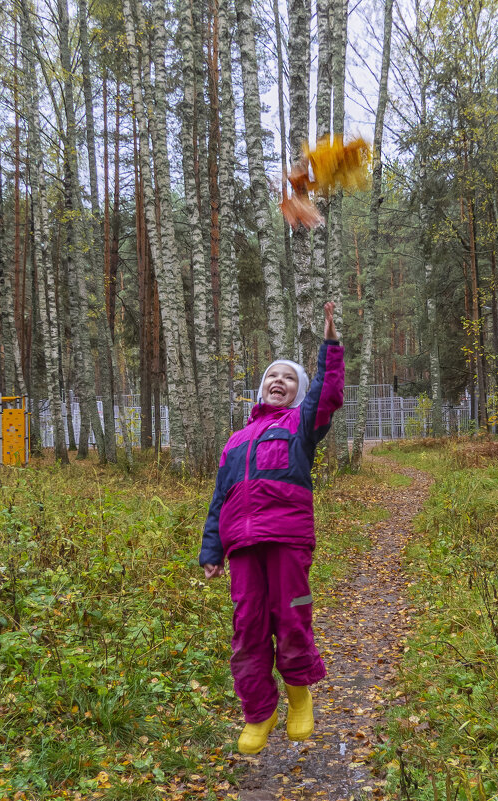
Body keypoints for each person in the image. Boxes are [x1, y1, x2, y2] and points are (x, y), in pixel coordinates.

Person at [200, 302, 345, 755]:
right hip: (242, 546)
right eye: (271, 376)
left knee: (291, 617)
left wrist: (330, 344)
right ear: (261, 387)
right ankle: (259, 712)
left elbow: (328, 392)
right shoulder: (236, 440)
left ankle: (299, 695)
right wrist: (211, 550)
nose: (278, 381)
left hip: (287, 539)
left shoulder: (301, 424)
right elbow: (220, 498)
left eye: (288, 378)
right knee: (247, 629)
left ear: (298, 392)